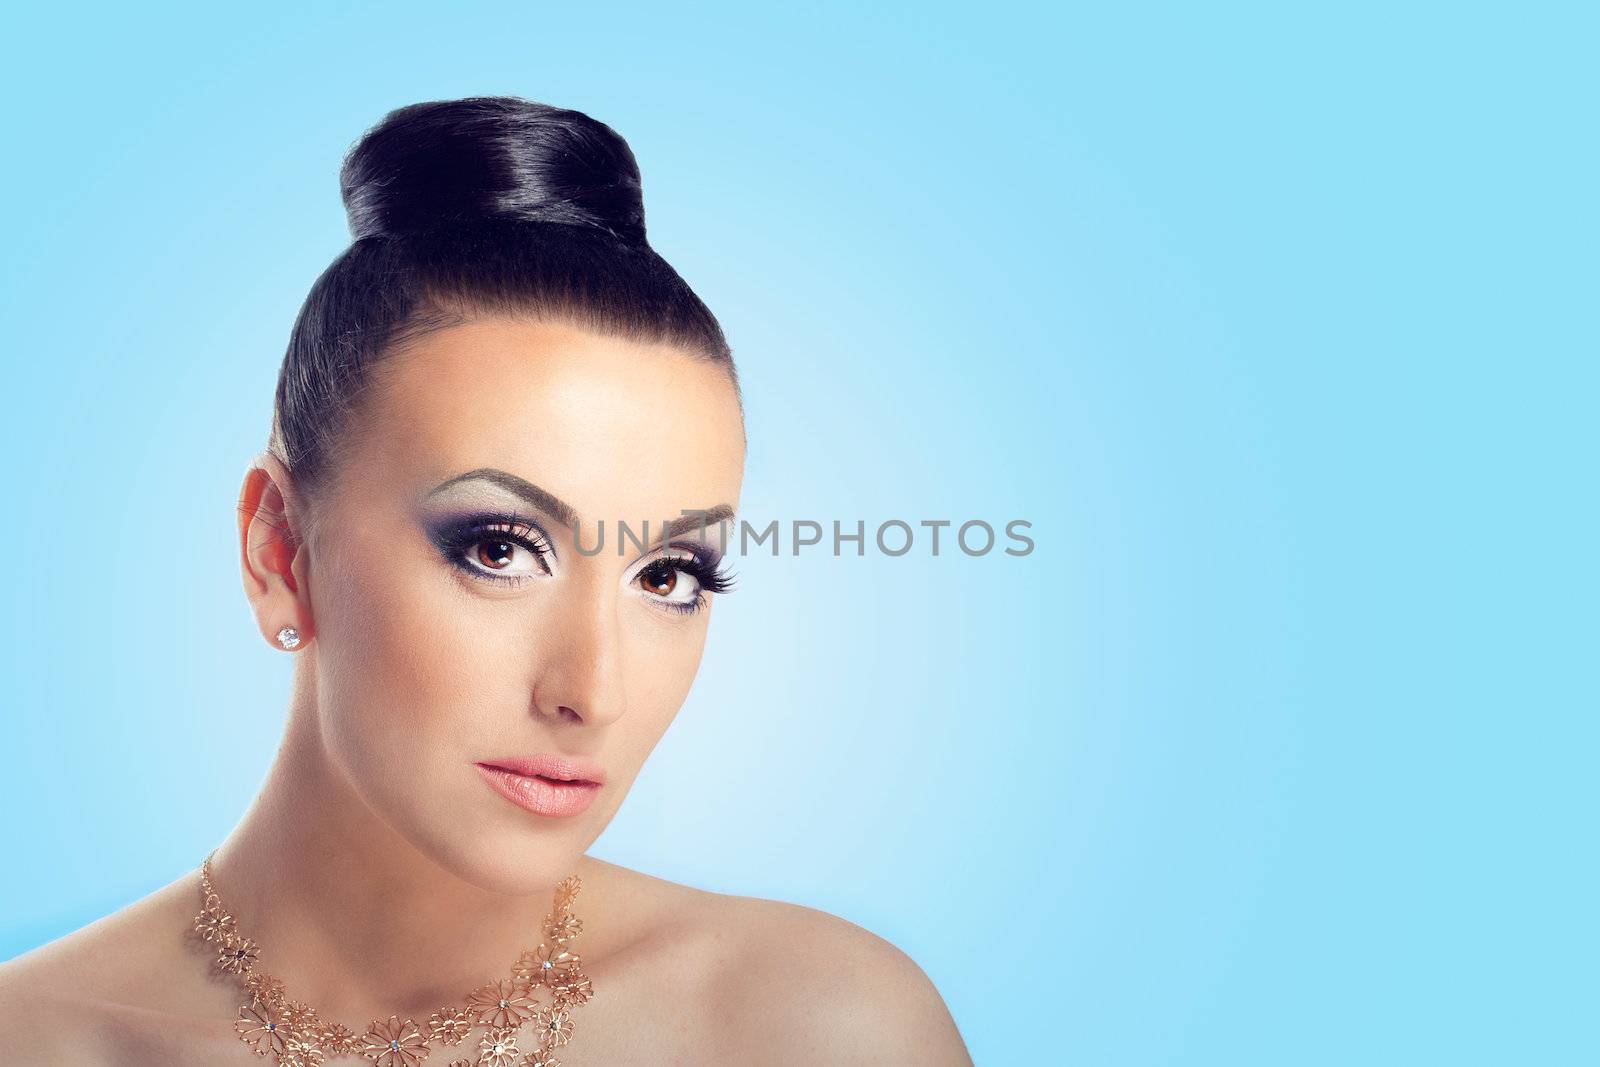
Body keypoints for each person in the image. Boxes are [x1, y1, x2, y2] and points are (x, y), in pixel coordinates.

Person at [0, 96, 971, 1065]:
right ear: (279, 551)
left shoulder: (816, 1026)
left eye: (668, 573)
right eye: (500, 548)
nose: (592, 692)